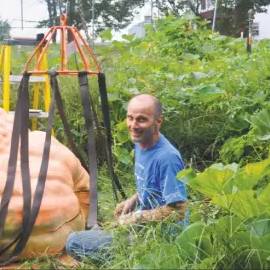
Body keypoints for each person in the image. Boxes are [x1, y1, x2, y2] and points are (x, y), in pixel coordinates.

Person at [65, 93, 189, 264]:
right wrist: (133, 200)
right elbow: (153, 184)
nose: (133, 125)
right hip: (143, 226)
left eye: (141, 120)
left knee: (74, 241)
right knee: (94, 229)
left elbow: (179, 211)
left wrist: (136, 217)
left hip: (161, 239)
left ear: (158, 121)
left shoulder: (167, 158)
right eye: (130, 118)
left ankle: (131, 261)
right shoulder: (142, 142)